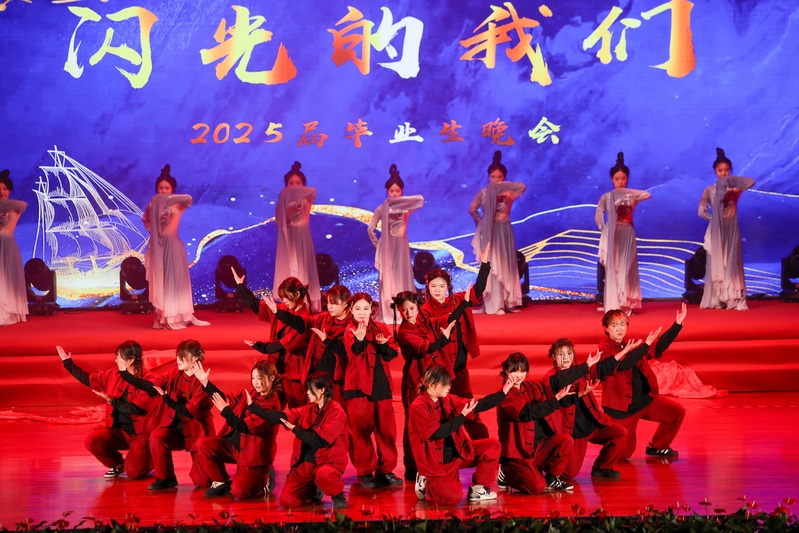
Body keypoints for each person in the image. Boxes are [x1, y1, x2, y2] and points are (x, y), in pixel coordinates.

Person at [409, 364, 513, 505]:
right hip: (438, 463)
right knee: (452, 499)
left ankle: (478, 489)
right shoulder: (418, 407)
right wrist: (461, 417)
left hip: (458, 452)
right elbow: (438, 433)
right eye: (445, 384)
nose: (448, 387)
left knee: (492, 446)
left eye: (449, 384)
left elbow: (476, 405)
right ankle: (426, 482)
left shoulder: (448, 399)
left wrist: (503, 393)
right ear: (432, 384)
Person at [119, 339, 214, 489]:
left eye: (183, 356)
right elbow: (151, 386)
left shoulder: (202, 383)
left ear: (196, 358)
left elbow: (189, 410)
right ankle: (165, 478)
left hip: (196, 433)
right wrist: (126, 375)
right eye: (178, 356)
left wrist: (167, 399)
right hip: (175, 429)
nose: (179, 360)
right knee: (157, 437)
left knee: (204, 482)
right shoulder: (174, 373)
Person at [392, 290, 467, 481]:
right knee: (414, 424)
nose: (408, 313)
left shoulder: (423, 321)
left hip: (432, 378)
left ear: (417, 306)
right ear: (399, 311)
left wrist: (464, 304)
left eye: (411, 308)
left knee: (437, 419)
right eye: (404, 310)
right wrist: (443, 339)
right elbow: (425, 348)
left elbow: (445, 319)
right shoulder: (405, 330)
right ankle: (413, 466)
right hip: (416, 381)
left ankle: (435, 461)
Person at [596, 304, 687, 460]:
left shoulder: (632, 344)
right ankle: (610, 439)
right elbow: (625, 364)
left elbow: (658, 347)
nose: (619, 328)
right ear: (606, 328)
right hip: (622, 409)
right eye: (614, 325)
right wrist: (645, 345)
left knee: (676, 412)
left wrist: (677, 325)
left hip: (645, 401)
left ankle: (658, 447)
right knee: (622, 455)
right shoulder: (604, 349)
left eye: (622, 324)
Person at [496, 352, 594, 494]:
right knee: (537, 487)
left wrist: (585, 368)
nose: (519, 375)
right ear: (506, 371)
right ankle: (506, 472)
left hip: (537, 449)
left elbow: (554, 383)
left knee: (565, 440)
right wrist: (555, 400)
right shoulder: (504, 395)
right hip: (518, 455)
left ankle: (552, 477)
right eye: (515, 371)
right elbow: (528, 413)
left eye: (523, 371)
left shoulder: (530, 386)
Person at [248, 372, 349, 509]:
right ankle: (313, 488)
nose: (307, 393)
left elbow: (320, 441)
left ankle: (337, 495)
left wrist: (296, 430)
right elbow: (281, 417)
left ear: (321, 390)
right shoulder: (309, 409)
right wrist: (253, 407)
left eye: (310, 389)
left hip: (327, 463)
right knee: (287, 501)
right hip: (306, 464)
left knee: (324, 475)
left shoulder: (336, 411)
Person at [420, 244, 491, 439]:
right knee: (441, 413)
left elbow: (477, 291)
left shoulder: (458, 300)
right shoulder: (425, 311)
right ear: (428, 288)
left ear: (448, 287)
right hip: (439, 369)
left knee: (468, 407)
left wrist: (484, 265)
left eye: (441, 286)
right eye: (433, 286)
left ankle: (482, 444)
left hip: (459, 366)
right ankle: (445, 448)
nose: (437, 290)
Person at [56, 341, 156, 479]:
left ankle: (150, 457)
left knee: (134, 472)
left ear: (130, 361)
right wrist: (68, 363)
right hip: (119, 431)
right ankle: (118, 464)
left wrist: (111, 400)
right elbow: (89, 380)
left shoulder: (148, 380)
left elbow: (136, 409)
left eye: (118, 358)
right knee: (92, 441)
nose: (115, 360)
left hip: (140, 434)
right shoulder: (114, 373)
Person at [542, 339, 636, 480]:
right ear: (553, 357)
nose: (566, 357)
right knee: (569, 474)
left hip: (592, 424)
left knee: (620, 433)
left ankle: (602, 467)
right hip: (573, 432)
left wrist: (623, 352)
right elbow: (562, 386)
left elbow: (602, 369)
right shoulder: (550, 378)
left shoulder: (580, 370)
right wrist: (584, 373)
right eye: (561, 354)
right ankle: (542, 463)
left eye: (569, 353)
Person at [193, 360, 283, 499]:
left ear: (271, 378)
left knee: (239, 493)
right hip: (234, 446)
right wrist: (206, 383)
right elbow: (224, 399)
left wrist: (225, 411)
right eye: (253, 378)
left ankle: (264, 478)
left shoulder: (272, 405)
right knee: (203, 444)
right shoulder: (250, 393)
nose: (256, 382)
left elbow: (246, 427)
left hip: (252, 454)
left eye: (260, 378)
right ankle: (221, 482)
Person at [342, 292, 403, 489]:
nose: (362, 312)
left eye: (365, 308)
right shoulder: (349, 330)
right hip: (357, 386)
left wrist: (384, 345)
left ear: (371, 310)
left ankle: (386, 470)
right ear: (351, 310)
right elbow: (353, 352)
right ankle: (365, 472)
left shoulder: (381, 327)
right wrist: (359, 340)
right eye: (358, 308)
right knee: (360, 431)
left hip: (380, 384)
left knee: (386, 430)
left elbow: (391, 354)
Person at [142, 164, 209, 330]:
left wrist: (168, 199)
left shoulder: (178, 204)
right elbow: (146, 221)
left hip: (173, 246)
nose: (163, 191)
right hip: (158, 246)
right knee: (162, 281)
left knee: (175, 282)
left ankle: (179, 316)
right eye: (160, 188)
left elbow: (189, 199)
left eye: (167, 188)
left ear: (172, 189)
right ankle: (163, 317)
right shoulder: (152, 205)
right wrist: (156, 234)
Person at [235, 270, 311, 409]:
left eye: (286, 297)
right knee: (270, 408)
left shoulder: (304, 319)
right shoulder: (283, 310)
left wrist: (261, 347)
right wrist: (241, 287)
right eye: (282, 298)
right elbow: (257, 306)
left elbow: (283, 344)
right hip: (275, 369)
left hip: (294, 372)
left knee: (298, 411)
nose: (284, 301)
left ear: (297, 295)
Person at [698, 147, 756, 310]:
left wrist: (733, 180)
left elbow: (751, 181)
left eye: (726, 170)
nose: (723, 173)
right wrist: (714, 220)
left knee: (731, 263)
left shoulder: (736, 189)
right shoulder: (709, 190)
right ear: (715, 171)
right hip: (717, 231)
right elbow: (701, 212)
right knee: (718, 263)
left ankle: (732, 299)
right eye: (720, 170)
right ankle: (718, 299)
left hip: (731, 230)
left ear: (730, 170)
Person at [469, 150, 526, 314]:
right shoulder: (484, 193)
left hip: (504, 230)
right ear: (489, 177)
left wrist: (503, 187)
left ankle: (507, 302)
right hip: (490, 231)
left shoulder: (510, 192)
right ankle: (493, 304)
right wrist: (482, 224)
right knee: (491, 264)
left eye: (499, 177)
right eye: (493, 177)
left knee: (505, 264)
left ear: (504, 177)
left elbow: (522, 186)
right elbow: (472, 210)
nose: (496, 180)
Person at [595, 152, 651, 315]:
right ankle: (614, 302)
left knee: (626, 268)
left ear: (627, 179)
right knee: (615, 269)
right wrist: (604, 229)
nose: (620, 181)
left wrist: (625, 192)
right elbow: (598, 213)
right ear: (611, 180)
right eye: (617, 179)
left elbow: (647, 194)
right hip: (613, 234)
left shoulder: (632, 196)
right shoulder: (607, 197)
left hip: (627, 233)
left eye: (623, 178)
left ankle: (626, 303)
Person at [367, 163, 424, 323]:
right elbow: (370, 228)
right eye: (391, 191)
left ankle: (405, 312)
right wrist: (378, 246)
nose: (394, 193)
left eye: (397, 191)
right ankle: (389, 313)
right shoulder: (381, 208)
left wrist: (401, 201)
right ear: (387, 191)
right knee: (389, 278)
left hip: (401, 246)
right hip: (387, 247)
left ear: (402, 191)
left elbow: (420, 200)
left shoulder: (406, 207)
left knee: (402, 277)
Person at [274, 161, 321, 313]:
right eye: (291, 183)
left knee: (304, 267)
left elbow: (313, 190)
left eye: (298, 183)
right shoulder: (282, 200)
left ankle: (305, 301)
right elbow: (277, 222)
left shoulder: (307, 196)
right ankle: (290, 300)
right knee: (290, 266)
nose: (294, 186)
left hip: (302, 235)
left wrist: (291, 193)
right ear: (286, 184)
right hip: (289, 237)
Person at [0, 169, 28, 326]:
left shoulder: (17, 206)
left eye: (5, 188)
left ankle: (9, 312)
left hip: (8, 245)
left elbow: (22, 204)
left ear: (9, 190)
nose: (2, 192)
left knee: (8, 280)